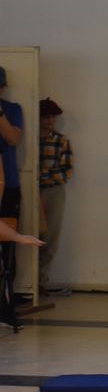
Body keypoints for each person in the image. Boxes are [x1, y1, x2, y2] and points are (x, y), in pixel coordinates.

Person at [38, 98, 74, 295]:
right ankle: (26, 281)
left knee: (50, 238)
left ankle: (40, 281)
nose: (50, 121)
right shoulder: (31, 140)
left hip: (53, 191)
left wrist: (43, 175)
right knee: (30, 235)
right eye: (46, 117)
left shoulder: (61, 141)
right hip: (32, 191)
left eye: (53, 117)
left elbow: (67, 172)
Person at [0, 67, 24, 281]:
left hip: (8, 187)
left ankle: (6, 291)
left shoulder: (13, 109)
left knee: (8, 241)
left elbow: (13, 139)